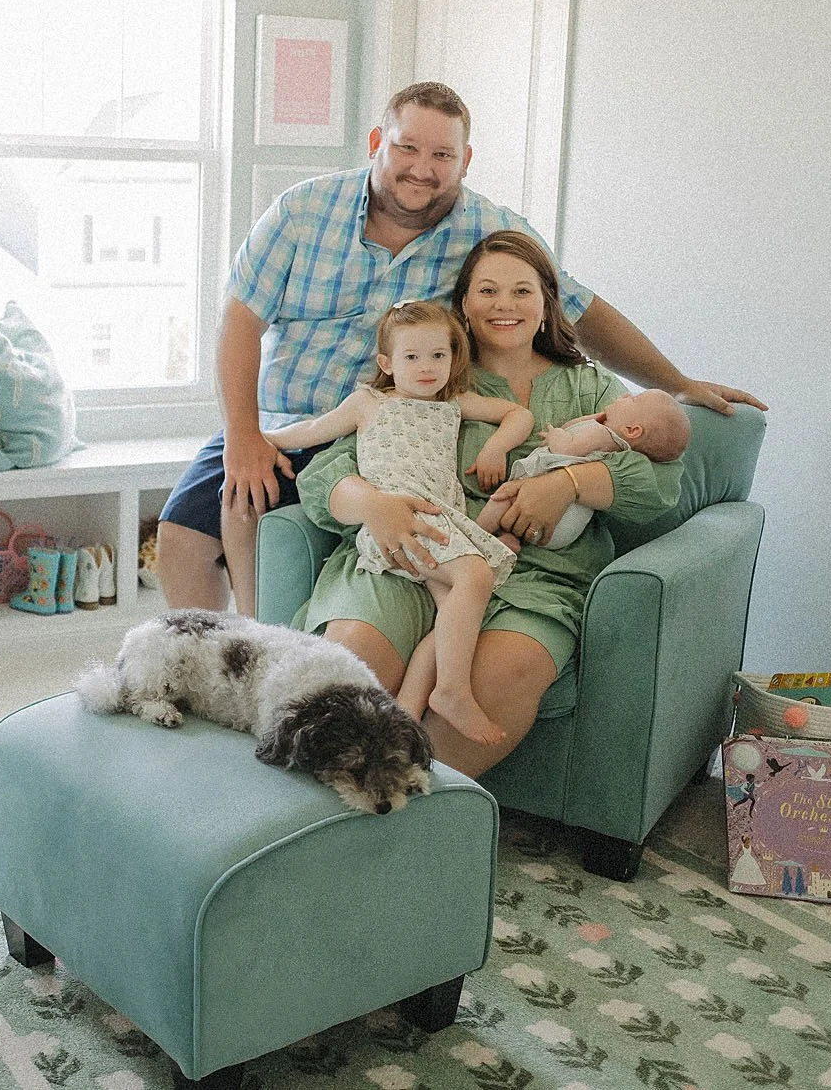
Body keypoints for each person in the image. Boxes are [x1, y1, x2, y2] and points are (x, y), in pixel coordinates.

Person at [155, 80, 763, 618]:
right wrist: (242, 435)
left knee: (281, 534)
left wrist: (675, 382)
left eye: (442, 154)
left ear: (465, 160)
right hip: (287, 421)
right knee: (184, 534)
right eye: (407, 148)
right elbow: (239, 324)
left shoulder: (490, 231)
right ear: (377, 142)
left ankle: (269, 651)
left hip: (389, 432)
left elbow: (576, 308)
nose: (422, 169)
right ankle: (205, 661)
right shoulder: (301, 211)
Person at [295, 229, 698, 776]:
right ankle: (314, 815)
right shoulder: (433, 369)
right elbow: (329, 471)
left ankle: (405, 817)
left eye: (522, 291)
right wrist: (371, 504)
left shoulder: (592, 389)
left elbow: (659, 484)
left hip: (539, 574)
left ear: (547, 303)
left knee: (503, 675)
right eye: (487, 290)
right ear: (464, 304)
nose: (504, 305)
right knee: (353, 658)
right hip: (419, 548)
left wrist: (569, 482)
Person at [260, 298, 533, 744]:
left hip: (442, 520)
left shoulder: (453, 403)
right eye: (411, 357)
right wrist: (258, 438)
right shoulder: (368, 403)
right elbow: (311, 432)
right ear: (387, 363)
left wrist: (495, 448)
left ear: (452, 358)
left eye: (438, 356)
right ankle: (452, 690)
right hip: (399, 520)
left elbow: (519, 415)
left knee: (452, 617)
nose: (426, 367)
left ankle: (409, 707)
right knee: (475, 576)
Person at [474, 389, 690, 551]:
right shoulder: (615, 445)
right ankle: (508, 539)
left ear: (633, 430)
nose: (624, 394)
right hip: (565, 529)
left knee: (501, 498)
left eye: (632, 399)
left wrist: (554, 435)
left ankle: (475, 536)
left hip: (551, 514)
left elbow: (567, 446)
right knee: (510, 510)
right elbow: (575, 426)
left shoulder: (602, 435)